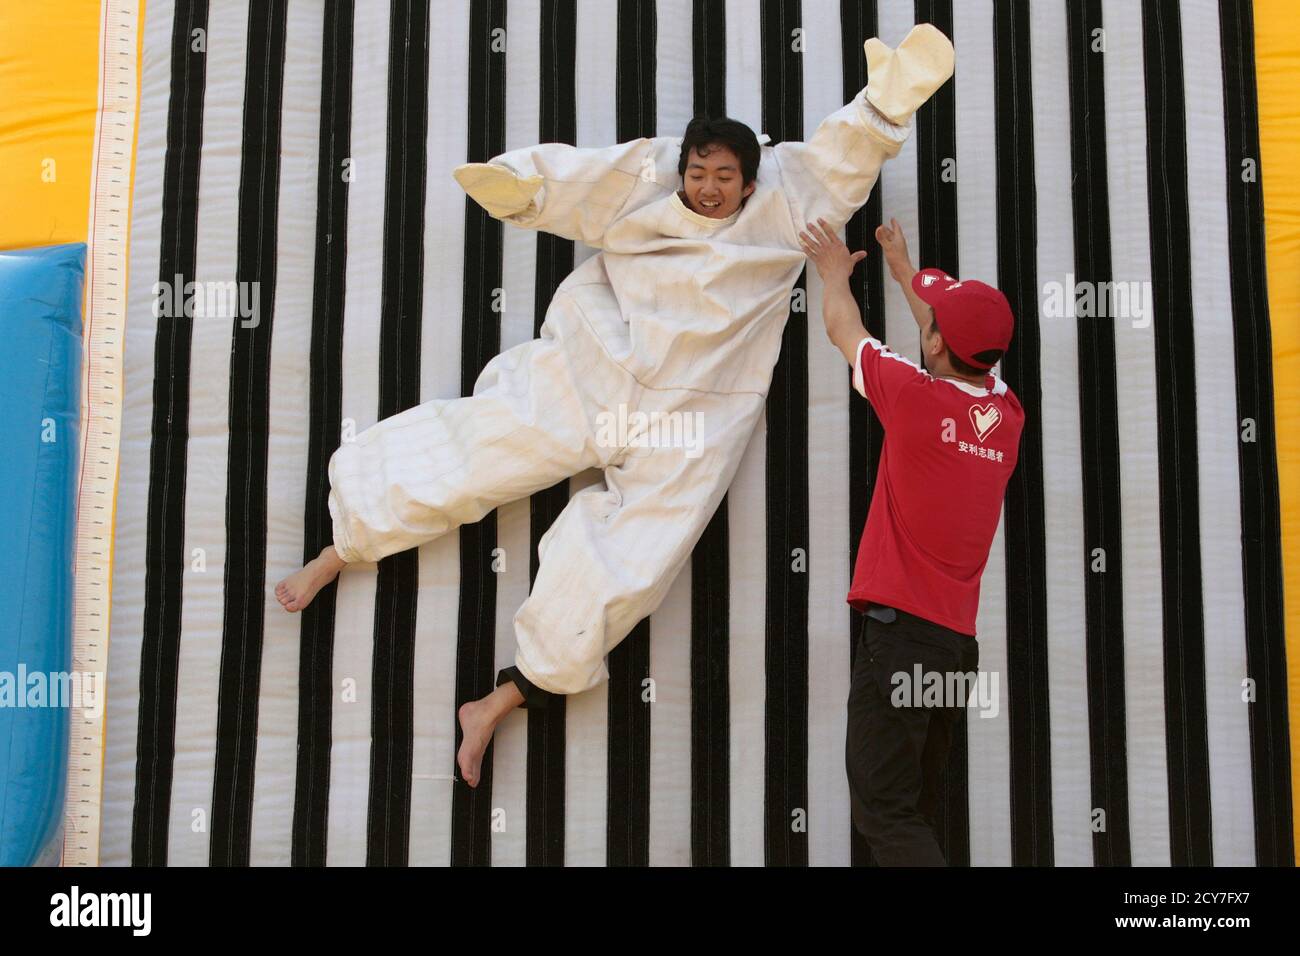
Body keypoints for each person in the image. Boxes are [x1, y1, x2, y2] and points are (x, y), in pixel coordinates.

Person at [276, 26, 957, 788]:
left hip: (694, 416)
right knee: (482, 446)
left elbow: (840, 164)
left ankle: (502, 698)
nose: (708, 188)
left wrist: (882, 109)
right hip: (597, 369)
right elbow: (585, 182)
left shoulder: (783, 198)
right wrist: (526, 186)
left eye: (724, 177)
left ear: (749, 180)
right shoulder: (650, 182)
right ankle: (341, 546)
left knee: (634, 560)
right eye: (699, 172)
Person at [799, 216, 1024, 865]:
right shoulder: (1007, 416)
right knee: (915, 809)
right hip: (955, 649)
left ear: (932, 344)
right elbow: (948, 333)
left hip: (902, 640)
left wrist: (834, 273)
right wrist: (902, 267)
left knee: (885, 810)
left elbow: (845, 329)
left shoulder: (913, 399)